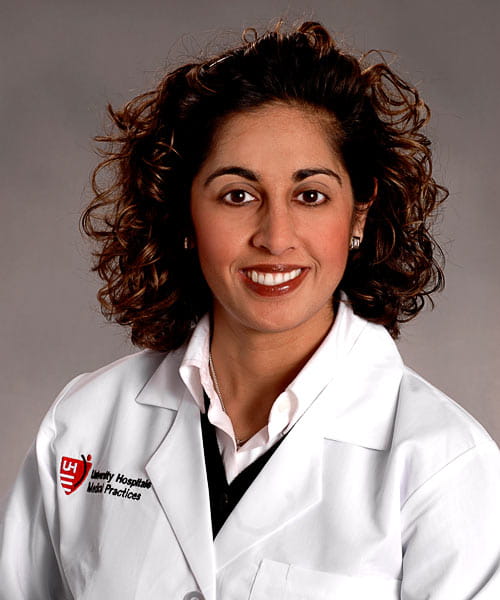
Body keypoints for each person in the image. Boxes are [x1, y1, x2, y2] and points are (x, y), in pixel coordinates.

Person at [1, 19, 499, 600]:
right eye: (237, 195)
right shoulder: (84, 423)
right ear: (185, 212)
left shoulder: (445, 464)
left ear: (359, 213)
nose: (275, 236)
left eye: (310, 195)